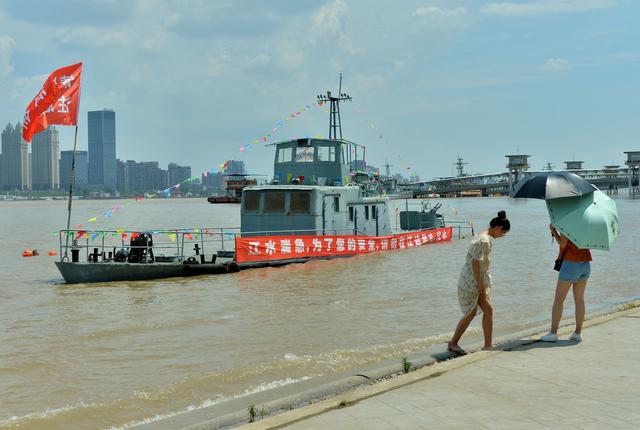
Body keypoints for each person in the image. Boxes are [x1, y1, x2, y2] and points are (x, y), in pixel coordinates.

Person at [447, 210, 510, 355]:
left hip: (471, 278)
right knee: (471, 312)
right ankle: (454, 343)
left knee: (488, 310)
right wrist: (480, 283)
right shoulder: (485, 241)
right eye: (503, 233)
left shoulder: (482, 235)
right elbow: (476, 262)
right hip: (473, 281)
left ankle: (488, 345)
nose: (502, 236)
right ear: (499, 228)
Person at [540, 225, 592, 343]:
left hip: (570, 263)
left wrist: (553, 230)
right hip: (585, 263)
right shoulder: (587, 224)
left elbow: (563, 243)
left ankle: (553, 333)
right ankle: (577, 333)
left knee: (559, 299)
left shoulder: (568, 223)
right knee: (579, 299)